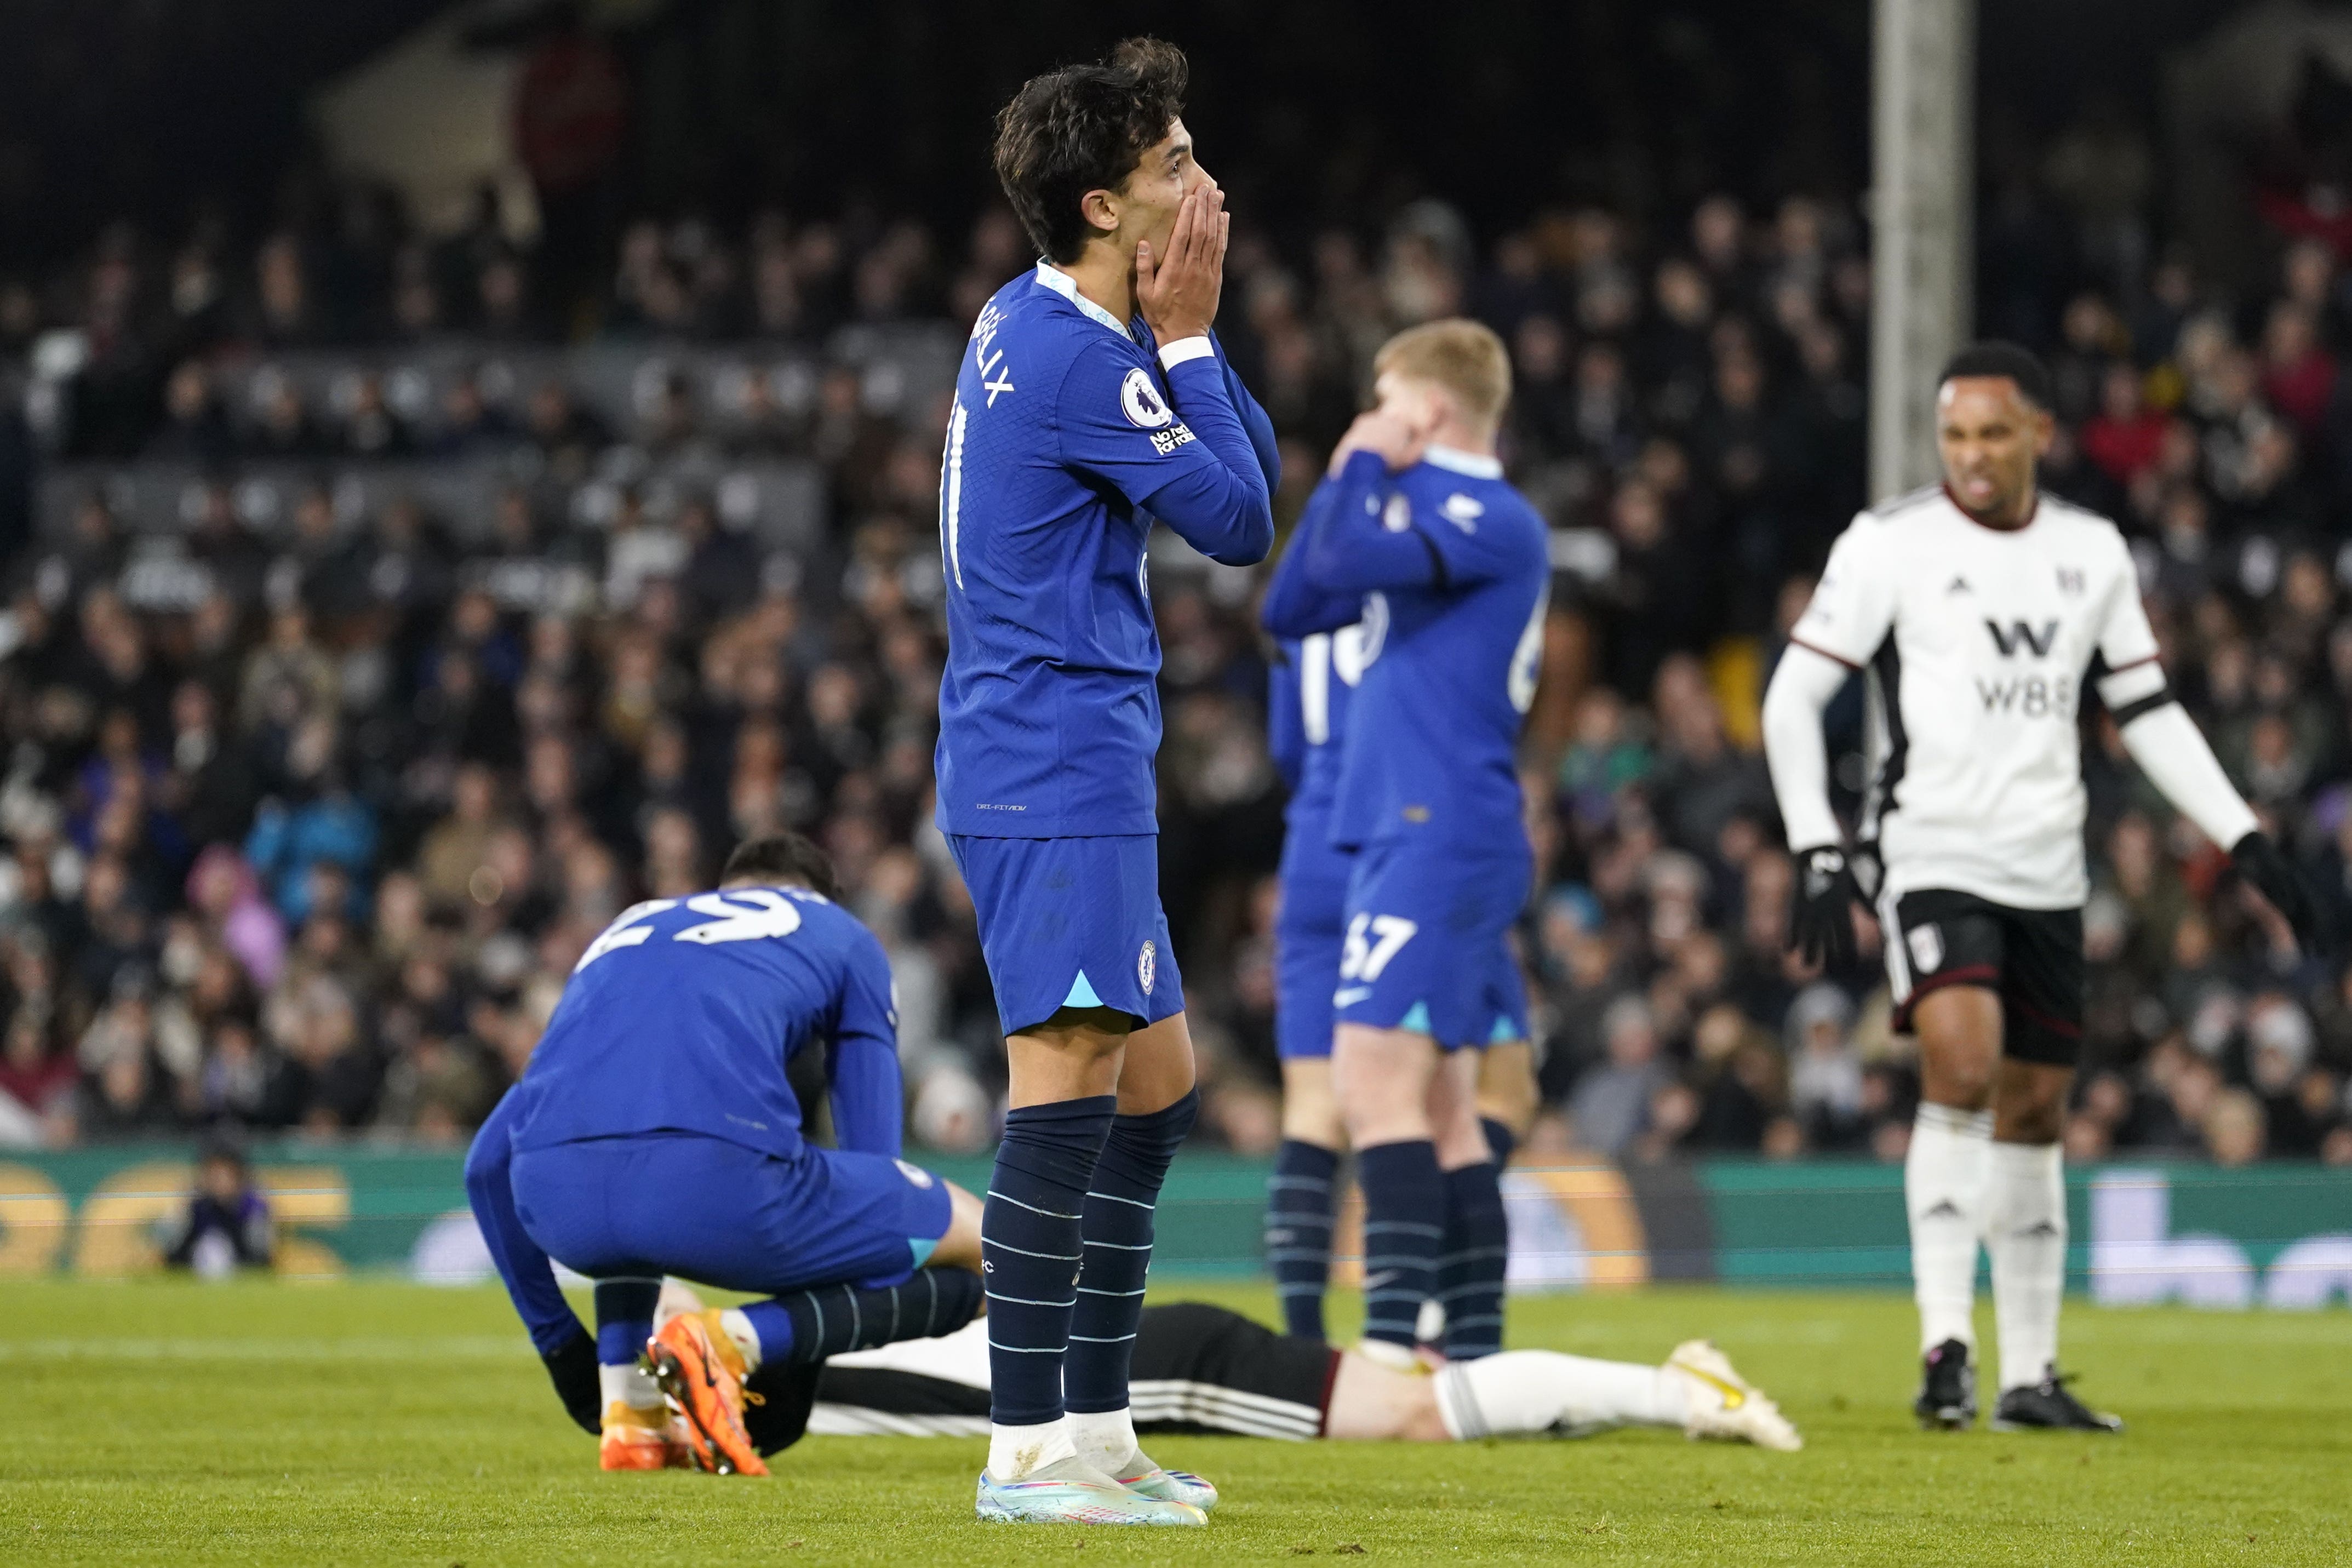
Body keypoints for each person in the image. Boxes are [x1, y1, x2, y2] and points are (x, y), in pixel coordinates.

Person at [1759, 341, 2319, 1434]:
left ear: (2037, 435)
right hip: (1930, 851)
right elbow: (1791, 699)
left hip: (2047, 864)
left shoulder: (2090, 552)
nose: (1968, 455)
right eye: (1953, 434)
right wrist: (1817, 847)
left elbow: (2146, 712)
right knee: (1959, 1067)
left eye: (1990, 433)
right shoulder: (1889, 545)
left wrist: (2242, 839)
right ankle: (1942, 1348)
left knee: (2034, 1111)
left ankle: (2029, 1375)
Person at [937, 37, 1276, 1526]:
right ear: (1100, 206)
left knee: (1154, 1081)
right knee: (1066, 1078)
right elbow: (1239, 517)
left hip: (1061, 750)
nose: (1201, 185)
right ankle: (1023, 1452)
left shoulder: (1029, 316)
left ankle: (1094, 1421)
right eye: (1171, 167)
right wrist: (1191, 343)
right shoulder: (1083, 358)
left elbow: (1241, 466)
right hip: (1053, 755)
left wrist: (1189, 340)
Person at [462, 832, 986, 1477]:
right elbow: (872, 1155)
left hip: (556, 1205)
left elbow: (486, 1165)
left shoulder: (630, 926)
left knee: (624, 1177)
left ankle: (632, 1412)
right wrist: (798, 1357)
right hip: (715, 1192)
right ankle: (731, 1343)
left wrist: (562, 1349)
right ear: (818, 897)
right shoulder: (842, 934)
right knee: (987, 1245)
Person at [1273, 319, 1548, 1372]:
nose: (1370, 416)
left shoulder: (1486, 513)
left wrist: (1353, 464)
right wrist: (1363, 482)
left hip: (1437, 827)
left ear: (1425, 410)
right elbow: (1297, 600)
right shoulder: (1424, 511)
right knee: (1444, 1107)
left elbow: (1332, 559)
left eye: (1385, 398)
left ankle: (1387, 1358)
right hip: (1415, 826)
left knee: (1371, 1080)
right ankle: (1470, 1355)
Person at [657, 1290, 1799, 1455]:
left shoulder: (766, 1370)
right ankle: (1662, 1386)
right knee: (1399, 1393)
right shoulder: (796, 1316)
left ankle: (1675, 1390)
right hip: (1124, 1348)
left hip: (1143, 1371)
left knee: (1406, 1419)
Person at [161, 1138, 273, 1277]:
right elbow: (171, 1253)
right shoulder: (194, 1205)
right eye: (213, 1174)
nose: (219, 1182)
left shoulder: (251, 1206)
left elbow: (261, 1255)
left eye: (224, 1175)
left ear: (238, 1177)